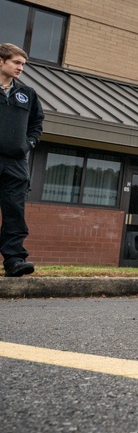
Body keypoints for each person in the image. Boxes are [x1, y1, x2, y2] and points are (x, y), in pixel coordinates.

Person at [0, 44, 43, 278]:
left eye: (23, 65)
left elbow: (37, 124)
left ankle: (14, 260)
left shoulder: (27, 94)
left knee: (14, 211)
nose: (20, 68)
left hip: (16, 164)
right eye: (16, 63)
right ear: (1, 61)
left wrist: (28, 144)